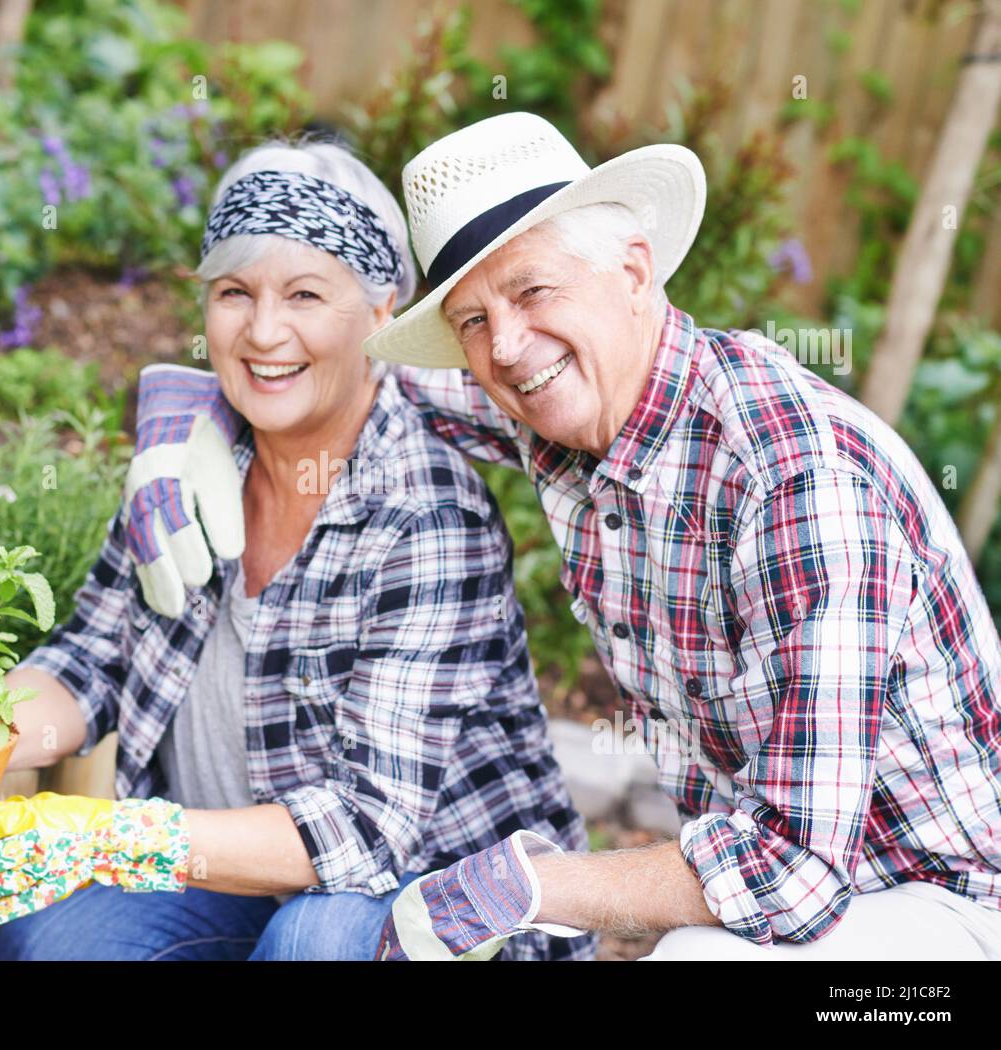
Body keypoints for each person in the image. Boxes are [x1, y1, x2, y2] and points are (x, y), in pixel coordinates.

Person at [128, 113, 1001, 961]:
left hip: (943, 902)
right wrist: (184, 408)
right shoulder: (565, 407)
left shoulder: (794, 482)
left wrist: (523, 886)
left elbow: (791, 871)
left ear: (633, 272)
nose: (507, 346)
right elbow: (338, 379)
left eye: (533, 290)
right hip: (797, 892)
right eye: (471, 320)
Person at [0, 138, 592, 962]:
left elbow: (366, 829)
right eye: (234, 293)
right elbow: (91, 659)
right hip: (241, 880)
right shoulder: (188, 463)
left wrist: (112, 834)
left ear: (380, 312)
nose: (265, 331)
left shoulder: (426, 516)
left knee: (315, 941)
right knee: (54, 942)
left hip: (439, 908)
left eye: (306, 293)